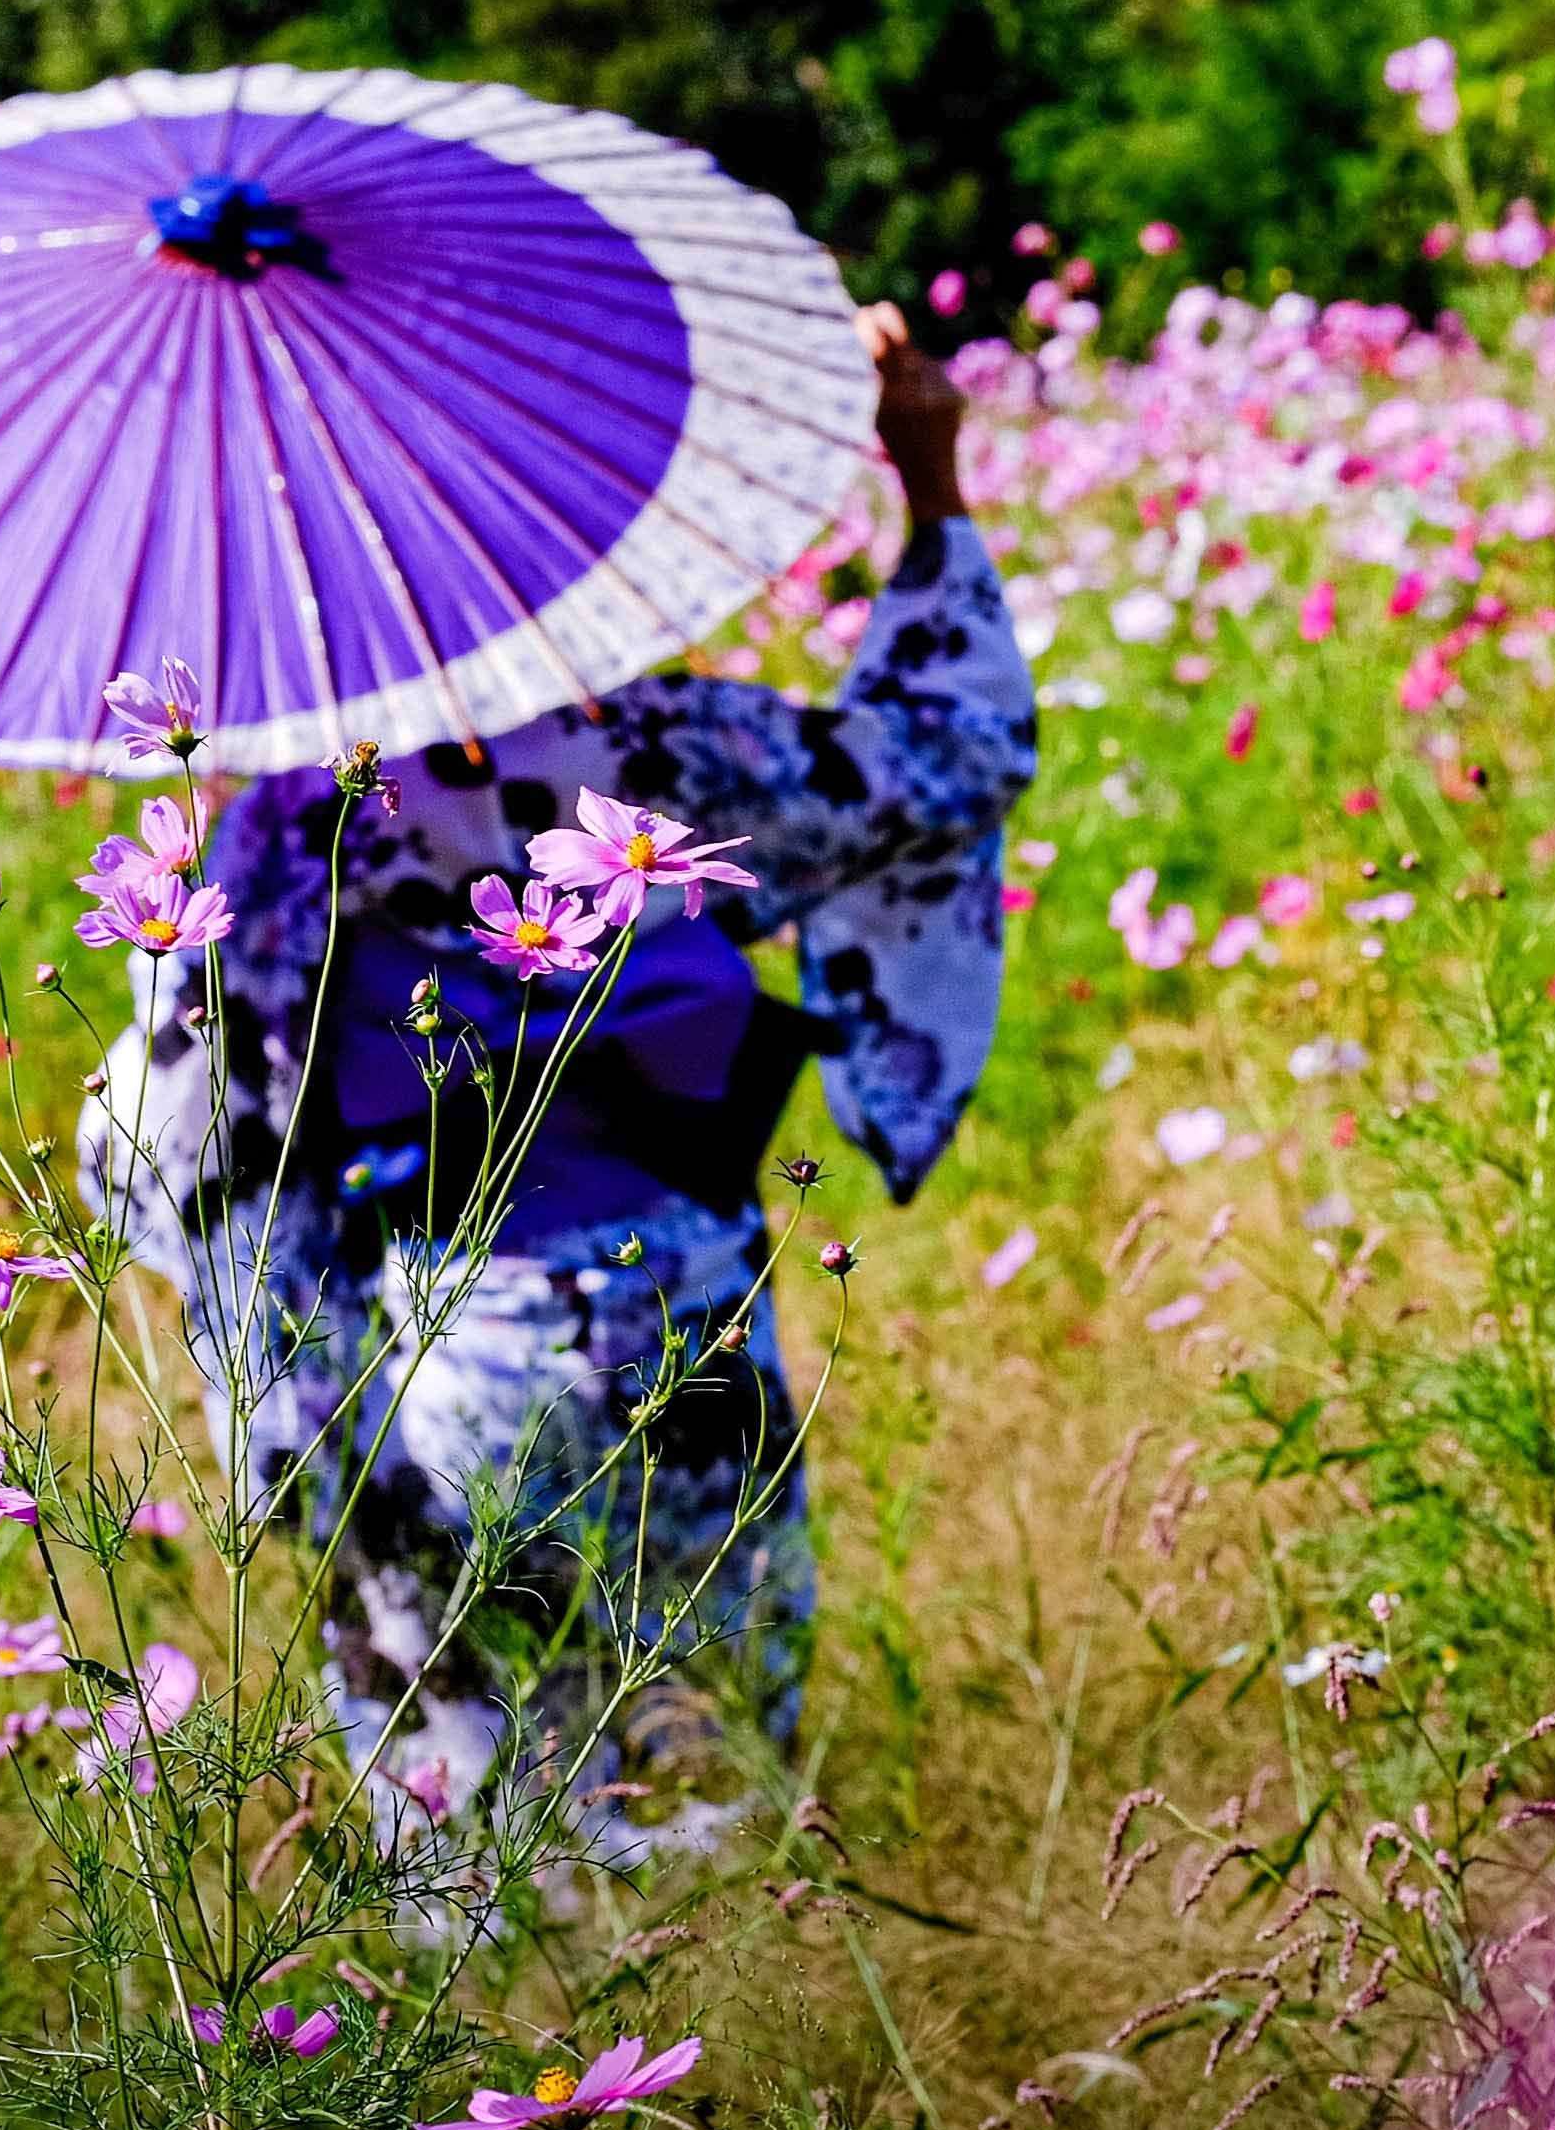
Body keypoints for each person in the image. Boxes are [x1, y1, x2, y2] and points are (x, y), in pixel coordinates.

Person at [78, 307, 1032, 1834]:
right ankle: (725, 2048)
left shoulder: (269, 829)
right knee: (702, 1757)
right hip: (689, 1301)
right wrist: (929, 476)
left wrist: (291, 1423)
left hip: (455, 1324)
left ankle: (520, 2049)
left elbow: (196, 1137)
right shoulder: (652, 750)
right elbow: (949, 754)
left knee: (476, 1791)